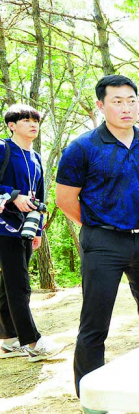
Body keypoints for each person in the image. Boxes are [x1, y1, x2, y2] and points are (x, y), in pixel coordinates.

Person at [56, 75, 139, 414]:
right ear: (101, 106)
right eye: (117, 101)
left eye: (131, 100)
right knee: (95, 320)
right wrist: (101, 225)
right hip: (103, 241)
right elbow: (65, 200)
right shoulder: (83, 147)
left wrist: (137, 223)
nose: (126, 107)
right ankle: (91, 394)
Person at [0, 104, 64, 362]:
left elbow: (39, 197)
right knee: (20, 286)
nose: (33, 124)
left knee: (7, 285)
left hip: (24, 229)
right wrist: (14, 196)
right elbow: (15, 193)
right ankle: (32, 342)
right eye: (26, 120)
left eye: (35, 120)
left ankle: (8, 339)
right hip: (3, 226)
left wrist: (37, 229)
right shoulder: (3, 149)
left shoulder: (36, 157)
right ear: (11, 126)